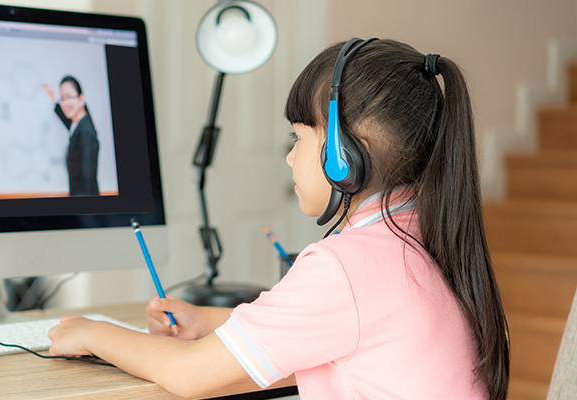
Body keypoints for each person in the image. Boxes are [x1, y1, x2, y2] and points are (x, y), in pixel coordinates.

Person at [47, 38, 510, 399]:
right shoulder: (420, 234)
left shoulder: (344, 266)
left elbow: (188, 375)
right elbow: (337, 325)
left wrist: (94, 331)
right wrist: (209, 322)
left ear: (346, 156)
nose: (289, 158)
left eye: (298, 138)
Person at [44, 76, 99, 196]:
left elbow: (87, 181)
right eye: (62, 98)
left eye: (69, 97)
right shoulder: (77, 124)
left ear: (81, 99)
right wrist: (53, 97)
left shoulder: (86, 133)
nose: (65, 103)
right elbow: (66, 119)